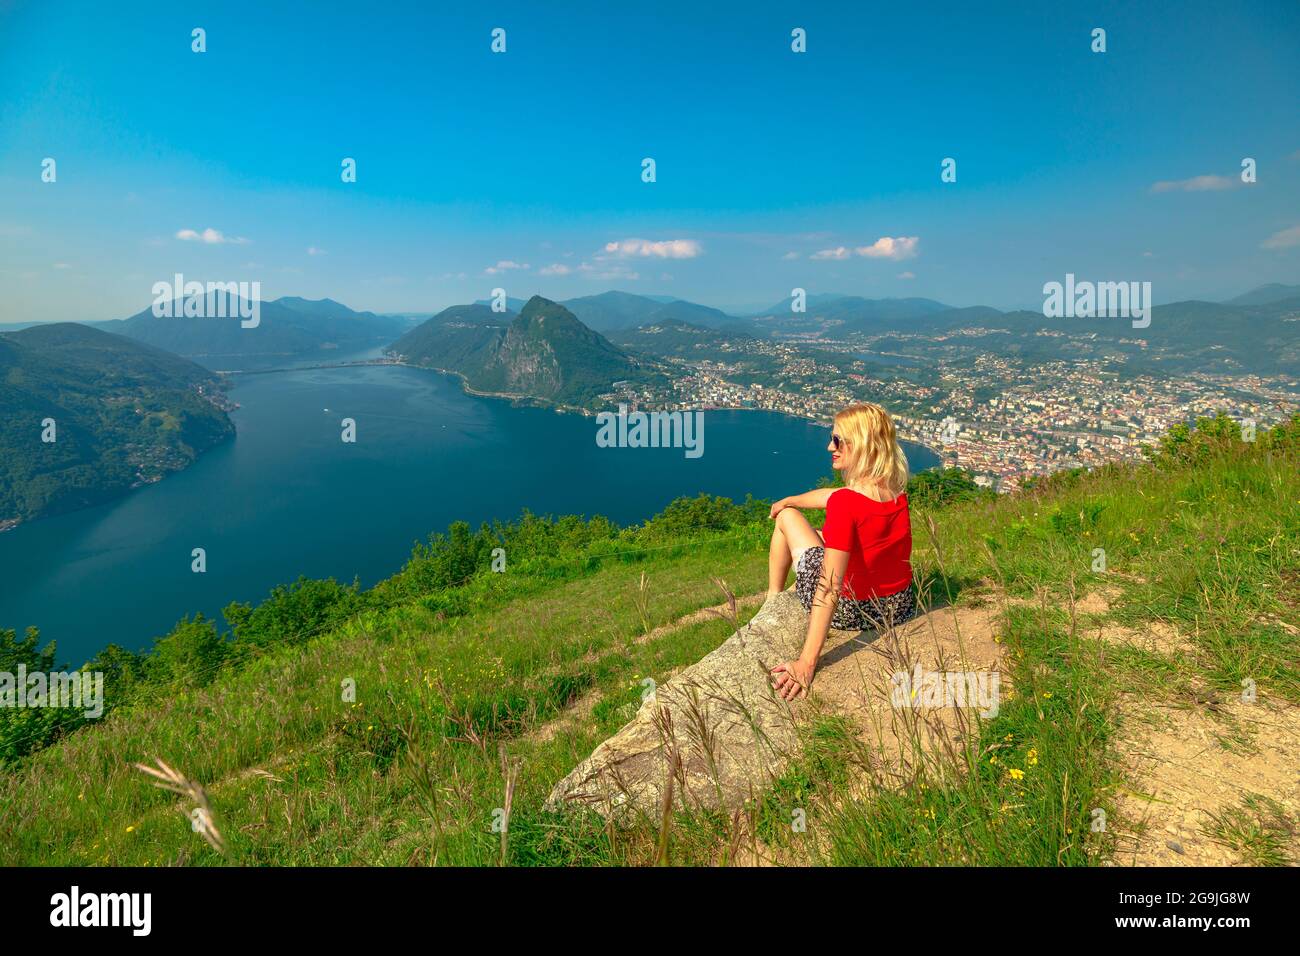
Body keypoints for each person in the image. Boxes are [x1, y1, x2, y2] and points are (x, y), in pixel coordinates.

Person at [767, 402, 916, 701]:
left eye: (836, 440)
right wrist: (791, 498)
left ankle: (772, 597)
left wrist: (806, 663)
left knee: (787, 519)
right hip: (898, 605)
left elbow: (830, 588)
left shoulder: (845, 505)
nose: (829, 447)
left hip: (853, 612)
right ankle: (775, 592)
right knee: (818, 531)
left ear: (859, 445)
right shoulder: (895, 489)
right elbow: (836, 496)